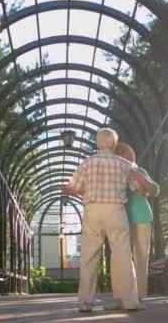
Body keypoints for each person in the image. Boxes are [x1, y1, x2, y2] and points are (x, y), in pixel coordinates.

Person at [61, 128, 144, 313]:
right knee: (123, 255)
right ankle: (130, 301)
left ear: (98, 144)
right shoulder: (125, 164)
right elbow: (137, 186)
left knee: (89, 257)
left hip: (92, 210)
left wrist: (68, 189)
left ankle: (85, 302)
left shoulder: (87, 163)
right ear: (115, 144)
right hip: (116, 209)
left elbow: (73, 187)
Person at [114, 142, 159, 304]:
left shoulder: (139, 170)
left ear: (131, 154)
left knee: (141, 257)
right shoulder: (113, 172)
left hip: (142, 217)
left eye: (124, 151)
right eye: (118, 152)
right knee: (122, 257)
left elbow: (155, 190)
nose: (122, 154)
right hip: (120, 218)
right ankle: (122, 294)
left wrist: (141, 178)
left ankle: (140, 294)